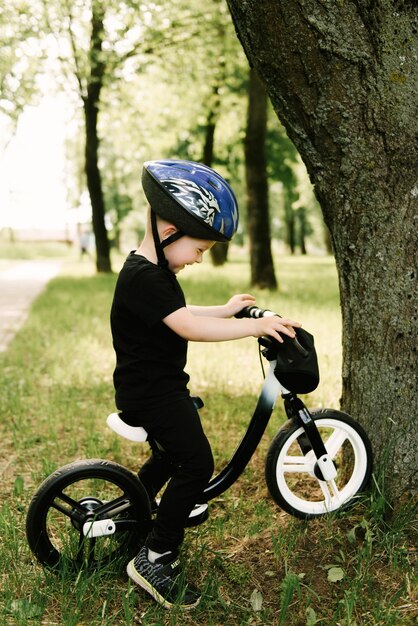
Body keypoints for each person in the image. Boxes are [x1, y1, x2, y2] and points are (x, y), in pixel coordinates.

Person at [110, 160, 301, 610]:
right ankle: (156, 556)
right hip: (153, 395)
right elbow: (188, 328)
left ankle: (133, 515)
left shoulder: (153, 274)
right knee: (196, 463)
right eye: (199, 247)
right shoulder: (145, 278)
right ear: (171, 230)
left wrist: (229, 308)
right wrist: (253, 329)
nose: (200, 257)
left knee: (172, 457)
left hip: (155, 389)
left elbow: (186, 312)